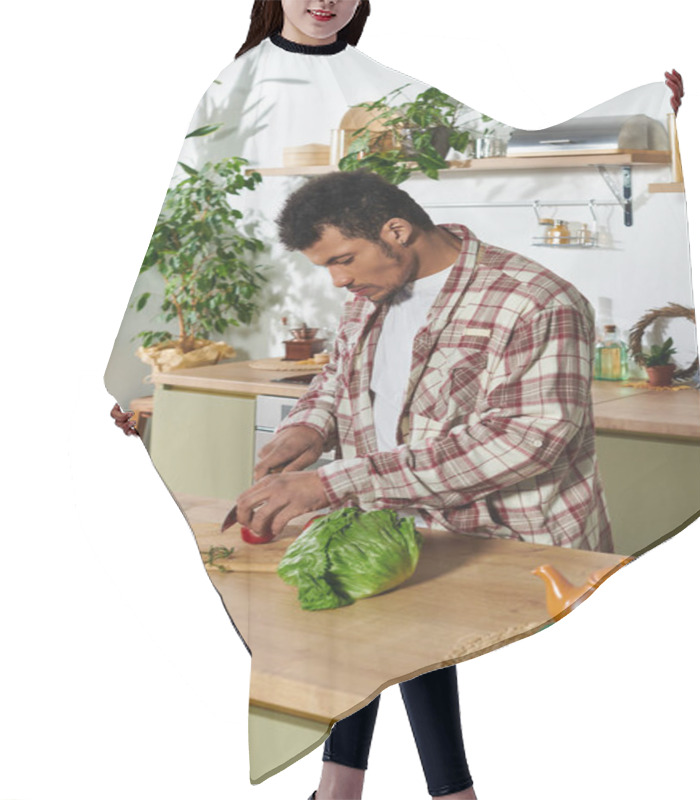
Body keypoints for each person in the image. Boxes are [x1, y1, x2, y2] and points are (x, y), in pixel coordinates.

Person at [233, 169, 613, 799]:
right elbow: (339, 383)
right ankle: (341, 786)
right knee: (359, 632)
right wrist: (306, 429)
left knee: (457, 685)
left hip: (514, 547)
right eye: (328, 267)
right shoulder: (372, 291)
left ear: (397, 230)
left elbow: (526, 441)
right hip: (403, 520)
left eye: (343, 259)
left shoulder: (536, 300)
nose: (339, 281)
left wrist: (334, 485)